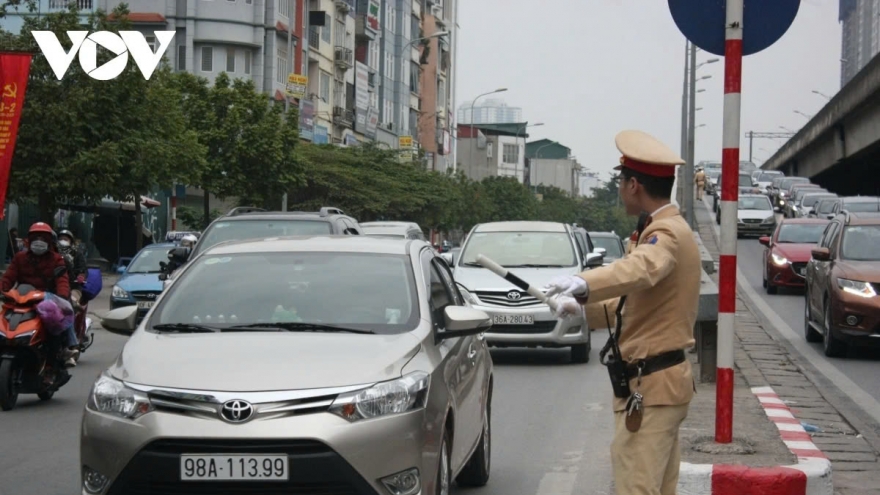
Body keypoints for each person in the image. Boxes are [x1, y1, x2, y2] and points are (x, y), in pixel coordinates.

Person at [544, 130, 701, 495]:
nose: (619, 190)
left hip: (653, 386)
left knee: (636, 489)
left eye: (620, 182)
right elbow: (636, 304)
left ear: (633, 185)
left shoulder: (666, 234)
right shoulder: (658, 229)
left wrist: (583, 282)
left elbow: (640, 269)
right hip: (660, 386)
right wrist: (584, 309)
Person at [1, 222, 77, 367]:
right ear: (29, 240)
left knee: (55, 325)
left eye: (43, 238)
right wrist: (3, 289)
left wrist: (61, 296)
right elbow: (8, 278)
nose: (39, 241)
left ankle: (57, 359)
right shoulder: (20, 258)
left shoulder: (57, 259)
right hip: (21, 299)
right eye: (36, 237)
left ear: (49, 242)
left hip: (46, 300)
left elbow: (62, 280)